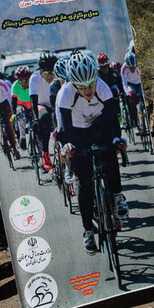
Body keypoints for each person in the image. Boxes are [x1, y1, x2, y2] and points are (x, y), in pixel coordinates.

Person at [55, 51, 129, 255]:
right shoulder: (65, 93)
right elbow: (64, 128)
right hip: (77, 130)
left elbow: (113, 118)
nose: (88, 90)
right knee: (85, 183)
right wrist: (68, 146)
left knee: (110, 151)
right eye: (82, 87)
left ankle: (117, 195)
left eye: (91, 85)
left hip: (99, 123)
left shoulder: (102, 86)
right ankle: (88, 230)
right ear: (73, 84)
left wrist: (116, 139)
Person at [29, 52, 58, 170]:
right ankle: (45, 154)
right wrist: (35, 118)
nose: (50, 76)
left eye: (52, 72)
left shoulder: (59, 75)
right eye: (46, 73)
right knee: (45, 118)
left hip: (55, 103)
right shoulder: (34, 78)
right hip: (41, 104)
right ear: (40, 71)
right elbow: (33, 101)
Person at [121, 52, 143, 131]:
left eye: (134, 66)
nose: (133, 69)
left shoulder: (138, 65)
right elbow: (124, 83)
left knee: (142, 96)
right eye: (130, 67)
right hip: (130, 84)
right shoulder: (123, 68)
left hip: (139, 83)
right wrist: (127, 93)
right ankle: (135, 121)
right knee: (132, 98)